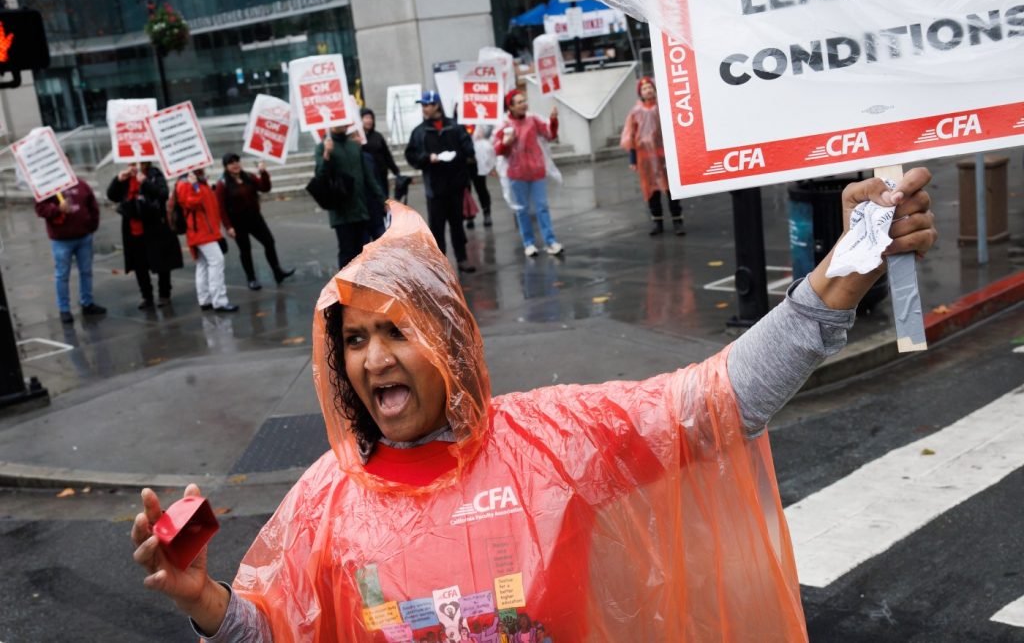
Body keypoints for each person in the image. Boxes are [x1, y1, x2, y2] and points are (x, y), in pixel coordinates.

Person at [131, 171, 937, 640]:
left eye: (396, 331)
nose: (373, 358)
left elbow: (718, 402)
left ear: (447, 336)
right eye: (354, 340)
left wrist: (853, 261)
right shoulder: (325, 503)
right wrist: (207, 604)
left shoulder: (554, 444)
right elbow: (277, 632)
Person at [404, 90, 477, 274]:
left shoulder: (455, 127)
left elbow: (469, 150)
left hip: (455, 185)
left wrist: (458, 155)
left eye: (427, 104)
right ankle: (439, 264)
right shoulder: (419, 131)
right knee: (436, 227)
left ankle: (462, 258)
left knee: (457, 225)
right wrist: (428, 158)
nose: (424, 108)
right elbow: (411, 155)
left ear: (436, 105)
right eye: (422, 105)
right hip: (434, 188)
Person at [494, 90, 562, 258]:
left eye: (524, 100)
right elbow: (498, 149)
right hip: (516, 175)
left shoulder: (533, 119)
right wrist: (506, 143)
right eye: (519, 102)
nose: (524, 104)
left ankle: (550, 241)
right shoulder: (504, 125)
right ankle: (529, 243)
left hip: (537, 171)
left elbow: (549, 134)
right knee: (522, 210)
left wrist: (553, 120)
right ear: (510, 106)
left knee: (542, 207)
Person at [107, 162, 183, 309]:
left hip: (155, 226)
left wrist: (145, 182)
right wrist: (118, 180)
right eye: (131, 163)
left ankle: (164, 294)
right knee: (139, 265)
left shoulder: (154, 174)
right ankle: (146, 296)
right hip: (133, 229)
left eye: (137, 163)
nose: (134, 166)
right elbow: (112, 196)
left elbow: (163, 194)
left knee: (162, 261)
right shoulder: (126, 178)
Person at [215, 153, 295, 291]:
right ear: (226, 166)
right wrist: (228, 226)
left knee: (269, 242)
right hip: (237, 221)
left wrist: (263, 172)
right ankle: (251, 278)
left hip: (255, 217)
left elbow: (265, 187)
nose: (235, 165)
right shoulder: (222, 184)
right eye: (231, 163)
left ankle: (277, 272)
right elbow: (221, 208)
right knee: (245, 250)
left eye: (237, 161)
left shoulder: (249, 177)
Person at [34, 179, 106, 324]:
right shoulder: (47, 186)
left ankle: (87, 303)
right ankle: (64, 309)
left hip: (83, 237)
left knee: (86, 271)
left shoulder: (81, 184)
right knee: (62, 275)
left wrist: (91, 226)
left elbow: (92, 205)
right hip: (61, 240)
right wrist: (57, 209)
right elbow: (40, 209)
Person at [621, 76, 685, 236]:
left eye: (650, 87)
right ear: (640, 93)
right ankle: (658, 222)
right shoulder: (635, 112)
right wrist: (633, 159)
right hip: (646, 158)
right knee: (651, 190)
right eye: (644, 89)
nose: (648, 90)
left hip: (664, 156)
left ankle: (677, 220)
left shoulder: (664, 107)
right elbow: (631, 136)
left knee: (671, 189)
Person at [315, 126, 386, 270]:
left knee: (363, 253)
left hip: (360, 209)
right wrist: (326, 155)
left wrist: (383, 200)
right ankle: (346, 290)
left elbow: (369, 178)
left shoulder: (354, 146)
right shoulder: (323, 147)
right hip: (341, 212)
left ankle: (363, 287)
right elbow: (320, 176)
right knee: (347, 254)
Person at [175, 170, 238, 313]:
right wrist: (195, 186)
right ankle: (219, 301)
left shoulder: (197, 180)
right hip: (201, 231)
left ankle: (205, 300)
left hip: (205, 230)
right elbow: (192, 203)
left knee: (203, 264)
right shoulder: (186, 183)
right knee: (216, 261)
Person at [360, 107, 403, 199]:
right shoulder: (357, 138)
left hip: (382, 174)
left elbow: (386, 155)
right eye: (366, 118)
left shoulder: (378, 136)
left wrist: (396, 171)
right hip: (368, 178)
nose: (369, 120)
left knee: (384, 200)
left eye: (371, 118)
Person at [466, 125, 494, 229]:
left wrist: (484, 134)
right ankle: (469, 215)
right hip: (464, 162)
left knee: (481, 188)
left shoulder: (480, 123)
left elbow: (491, 129)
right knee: (465, 191)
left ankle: (487, 213)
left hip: (478, 162)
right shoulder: (459, 124)